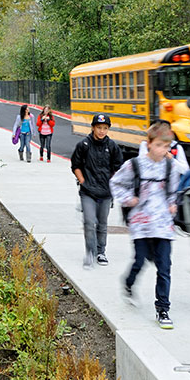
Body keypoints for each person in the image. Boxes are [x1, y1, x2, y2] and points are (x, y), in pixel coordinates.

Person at [111, 124, 184, 329]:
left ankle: (163, 309)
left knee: (164, 267)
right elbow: (116, 183)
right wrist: (129, 199)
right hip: (141, 223)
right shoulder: (134, 165)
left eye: (166, 146)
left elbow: (174, 191)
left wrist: (172, 204)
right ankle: (128, 282)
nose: (163, 150)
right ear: (149, 144)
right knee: (140, 260)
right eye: (159, 145)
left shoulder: (170, 166)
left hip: (162, 224)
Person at [71, 114, 123, 268]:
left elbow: (118, 167)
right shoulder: (84, 145)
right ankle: (90, 252)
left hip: (105, 193)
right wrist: (83, 182)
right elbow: (75, 165)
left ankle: (101, 252)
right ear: (93, 127)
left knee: (102, 223)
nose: (101, 131)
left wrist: (112, 183)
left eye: (105, 128)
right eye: (99, 128)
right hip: (88, 192)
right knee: (88, 222)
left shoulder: (112, 146)